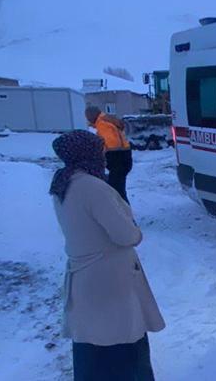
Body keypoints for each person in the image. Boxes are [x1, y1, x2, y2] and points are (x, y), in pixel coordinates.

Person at [49, 130, 164, 380]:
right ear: (87, 153)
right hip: (109, 283)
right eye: (100, 150)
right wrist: (135, 229)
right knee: (122, 349)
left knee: (92, 350)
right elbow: (126, 235)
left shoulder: (63, 184)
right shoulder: (92, 187)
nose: (104, 155)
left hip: (86, 282)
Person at [85, 106, 133, 203]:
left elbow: (111, 144)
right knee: (118, 190)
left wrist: (101, 152)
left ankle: (125, 216)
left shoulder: (102, 124)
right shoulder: (107, 120)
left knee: (117, 192)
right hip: (124, 157)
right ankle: (124, 214)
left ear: (91, 116)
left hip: (118, 160)